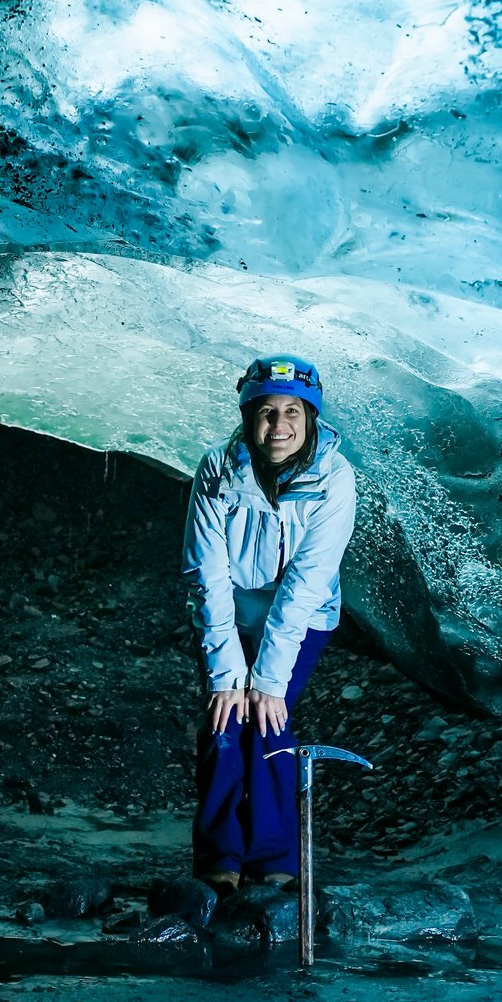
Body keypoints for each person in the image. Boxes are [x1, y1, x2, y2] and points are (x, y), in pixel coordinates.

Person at [183, 353, 357, 891]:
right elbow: (206, 572)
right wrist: (227, 674)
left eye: (291, 413)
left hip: (303, 618)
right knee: (224, 719)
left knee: (268, 720)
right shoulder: (217, 468)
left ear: (310, 418)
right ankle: (220, 860)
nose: (277, 426)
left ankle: (275, 860)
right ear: (246, 415)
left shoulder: (335, 479)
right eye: (264, 412)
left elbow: (306, 583)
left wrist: (268, 681)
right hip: (228, 614)